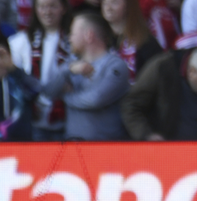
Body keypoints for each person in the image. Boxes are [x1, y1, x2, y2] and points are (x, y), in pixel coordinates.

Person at [31, 11, 130, 140]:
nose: (69, 38)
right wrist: (68, 71)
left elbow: (96, 99)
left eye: (72, 33)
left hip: (106, 147)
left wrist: (66, 96)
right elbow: (48, 92)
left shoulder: (116, 66)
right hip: (73, 146)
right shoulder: (71, 65)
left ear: (88, 35)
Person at [121, 46, 197, 140]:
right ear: (191, 72)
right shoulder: (162, 68)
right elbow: (131, 105)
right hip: (166, 150)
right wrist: (147, 135)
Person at [8, 0, 72, 141]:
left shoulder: (74, 40)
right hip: (31, 120)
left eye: (53, 6)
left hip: (68, 119)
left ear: (63, 8)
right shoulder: (19, 41)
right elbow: (14, 82)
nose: (47, 12)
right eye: (42, 6)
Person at [102, 0, 162, 82]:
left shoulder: (146, 41)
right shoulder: (100, 38)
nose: (108, 7)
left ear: (128, 5)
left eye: (114, 2)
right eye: (104, 2)